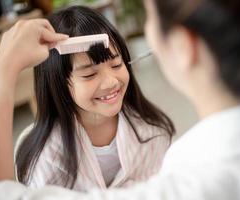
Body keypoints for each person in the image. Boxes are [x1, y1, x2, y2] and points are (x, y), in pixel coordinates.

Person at [0, 0, 240, 199]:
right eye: (89, 74)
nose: (111, 79)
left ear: (184, 45)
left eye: (150, 17)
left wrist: (4, 68)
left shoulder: (186, 175)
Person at [15, 6, 174, 191]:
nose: (111, 82)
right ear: (58, 83)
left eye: (116, 64)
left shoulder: (152, 129)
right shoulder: (45, 157)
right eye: (89, 75)